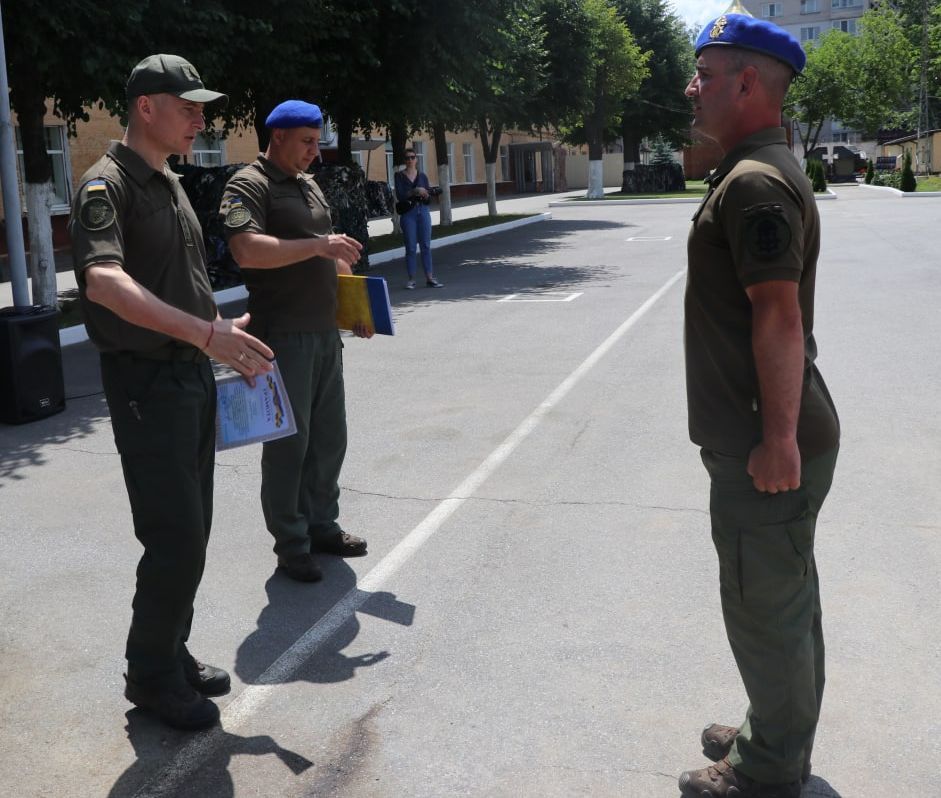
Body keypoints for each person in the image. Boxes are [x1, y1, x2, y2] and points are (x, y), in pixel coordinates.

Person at [68, 54, 274, 730]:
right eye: (186, 105)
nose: (200, 118)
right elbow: (106, 284)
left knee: (197, 528)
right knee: (174, 535)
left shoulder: (170, 181)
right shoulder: (107, 185)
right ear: (145, 108)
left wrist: (217, 330)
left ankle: (169, 648)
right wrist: (202, 334)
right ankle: (149, 676)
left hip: (188, 372)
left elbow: (174, 282)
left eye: (202, 107)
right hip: (146, 383)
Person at [679, 15, 840, 798]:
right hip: (768, 430)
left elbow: (779, 316)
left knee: (763, 605)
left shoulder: (751, 183)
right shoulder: (750, 168)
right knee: (782, 595)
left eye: (704, 74)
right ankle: (771, 730)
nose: (692, 87)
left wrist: (776, 438)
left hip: (766, 439)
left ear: (746, 83)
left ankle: (768, 769)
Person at [220, 100, 371, 584]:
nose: (314, 150)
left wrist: (356, 310)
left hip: (325, 333)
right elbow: (247, 250)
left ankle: (323, 526)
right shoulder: (250, 184)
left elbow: (330, 253)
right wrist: (319, 247)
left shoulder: (307, 184)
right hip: (283, 335)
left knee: (330, 438)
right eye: (306, 141)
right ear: (278, 136)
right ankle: (292, 543)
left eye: (317, 140)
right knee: (290, 444)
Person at [394, 148, 443, 289]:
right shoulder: (399, 176)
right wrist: (415, 191)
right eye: (407, 158)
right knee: (410, 247)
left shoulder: (422, 176)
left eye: (412, 157)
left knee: (426, 245)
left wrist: (426, 195)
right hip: (408, 214)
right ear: (405, 161)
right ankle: (411, 279)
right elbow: (401, 195)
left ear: (416, 159)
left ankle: (429, 278)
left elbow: (428, 200)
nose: (410, 160)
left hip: (423, 212)